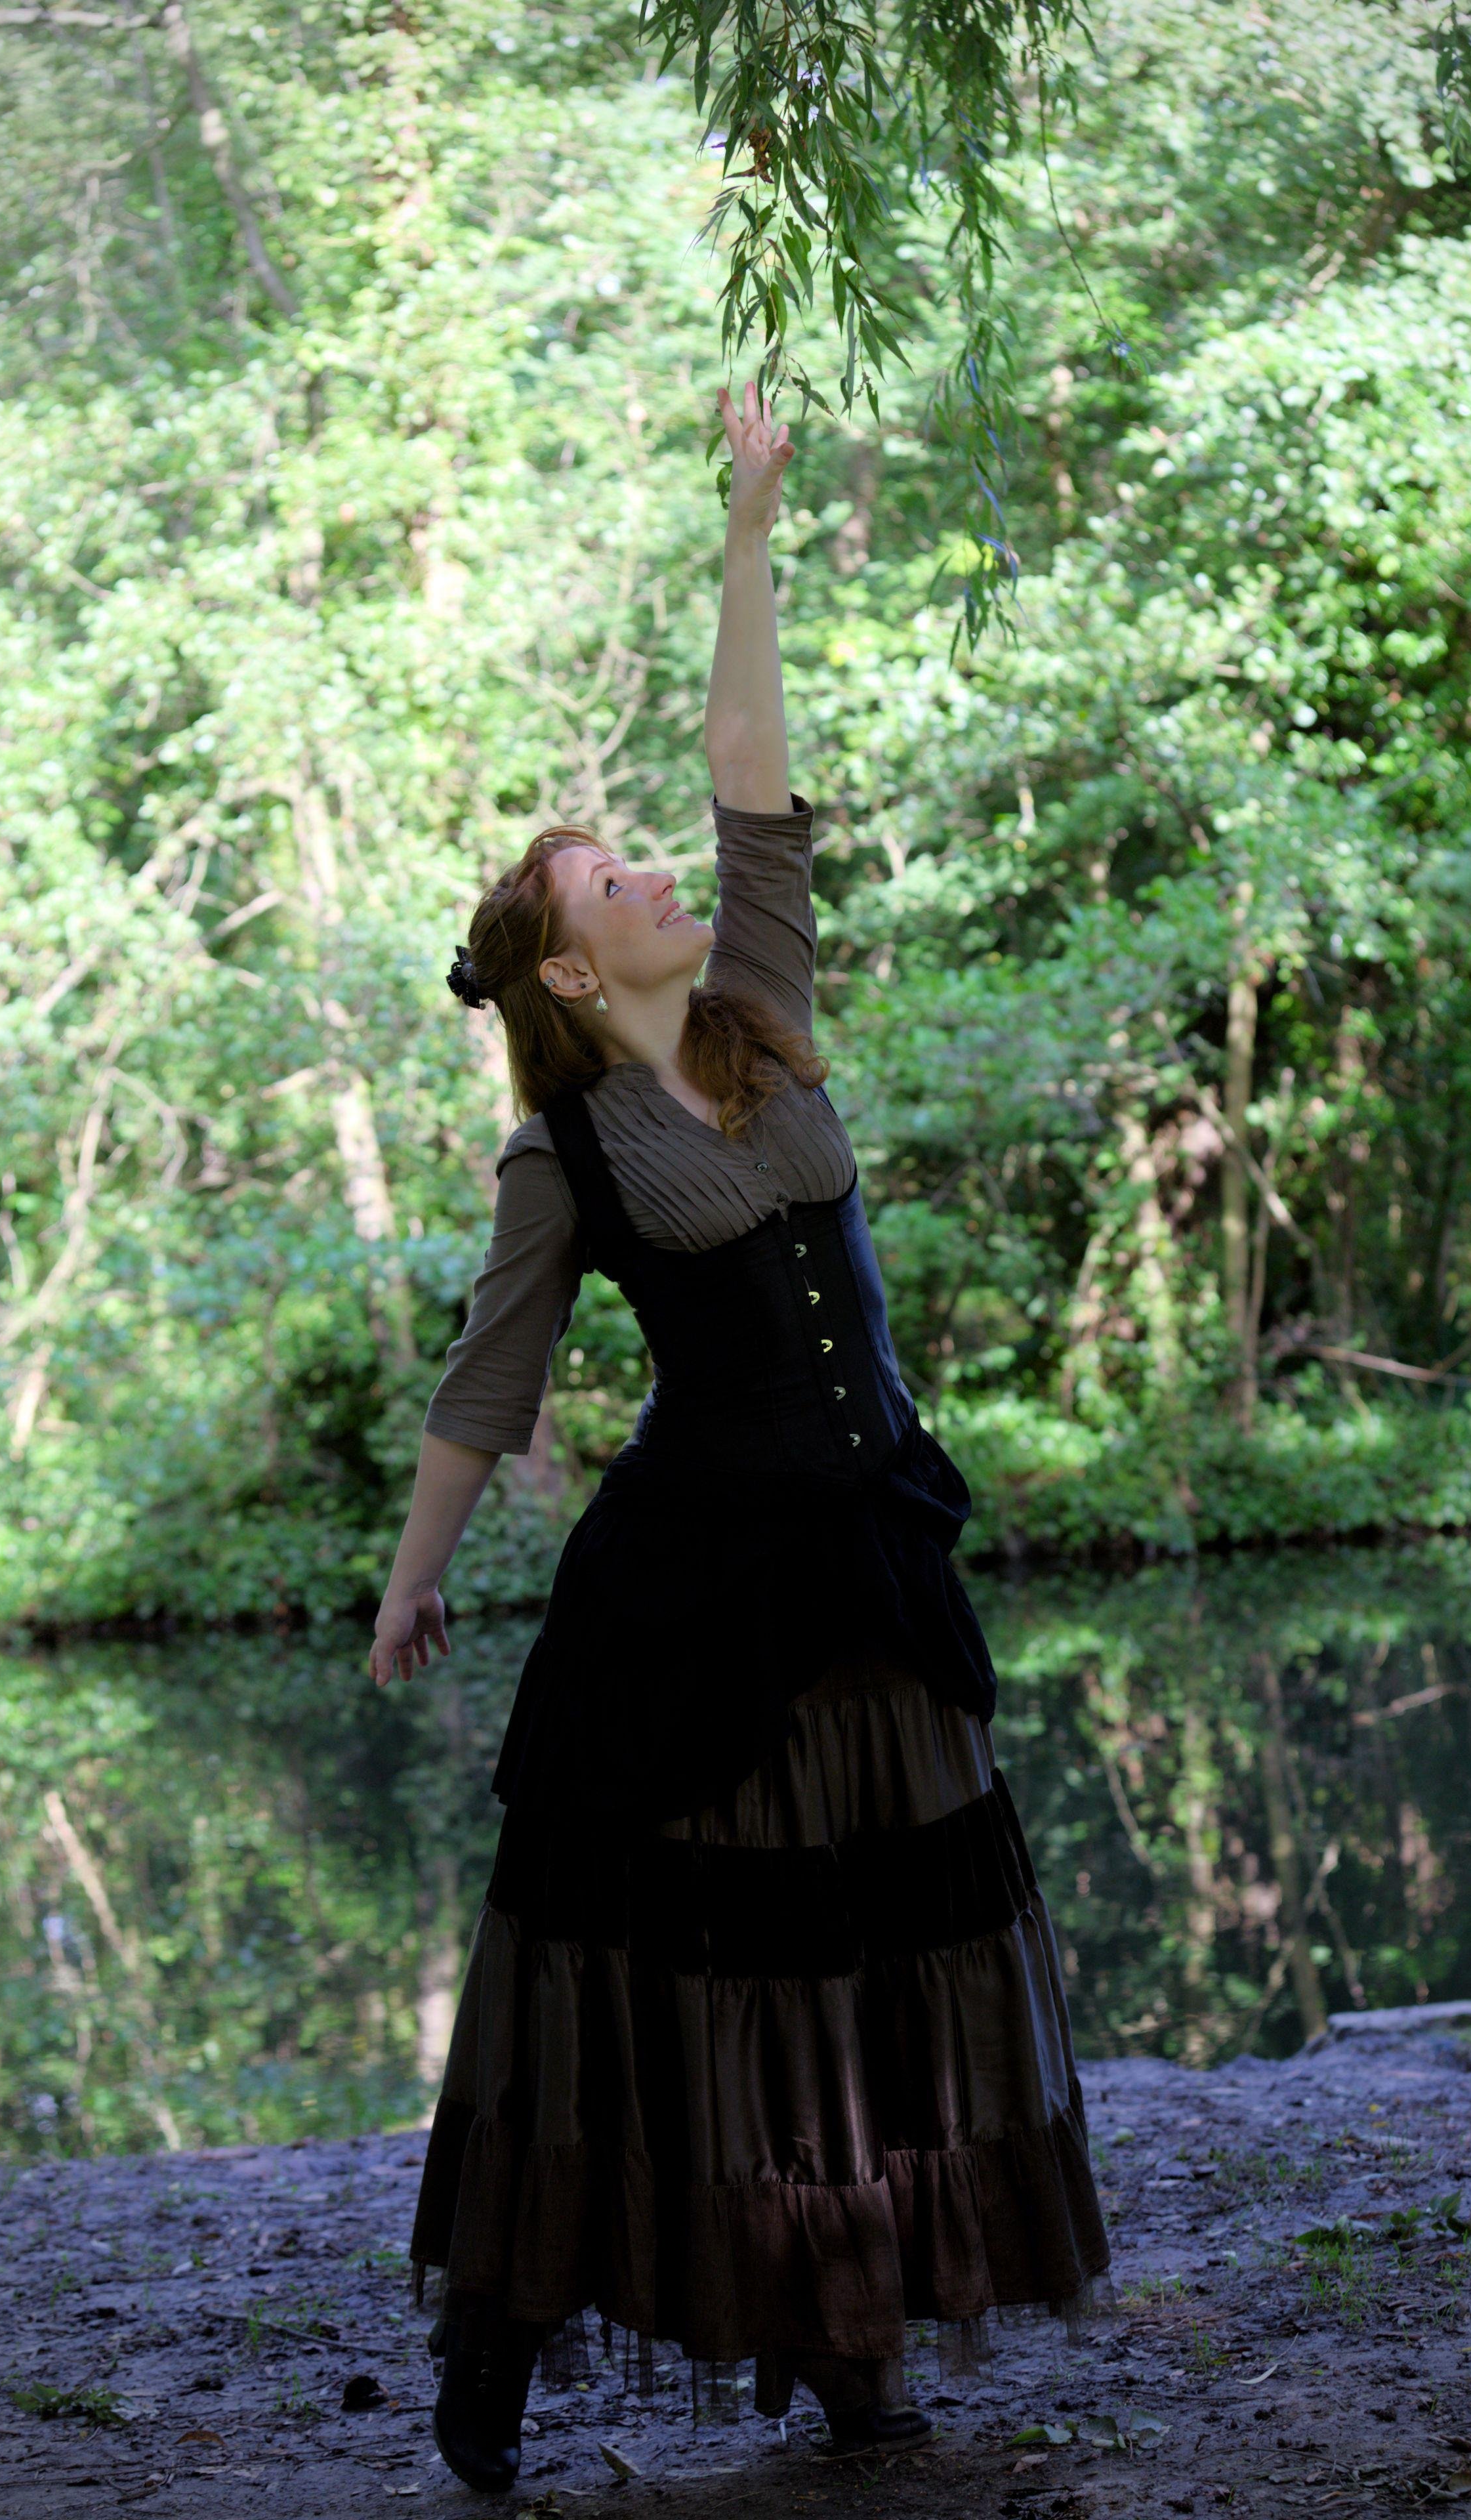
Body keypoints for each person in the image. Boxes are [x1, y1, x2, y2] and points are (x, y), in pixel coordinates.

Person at [370, 383, 1110, 2496]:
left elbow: (749, 771)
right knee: (672, 1976)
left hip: (871, 1555)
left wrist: (751, 529)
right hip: (694, 1608)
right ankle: (509, 2322)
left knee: (885, 1955)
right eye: (612, 878)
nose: (659, 874)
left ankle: (854, 2328)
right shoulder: (569, 1154)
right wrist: (412, 1586)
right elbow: (489, 1385)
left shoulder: (758, 1006)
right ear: (562, 961)